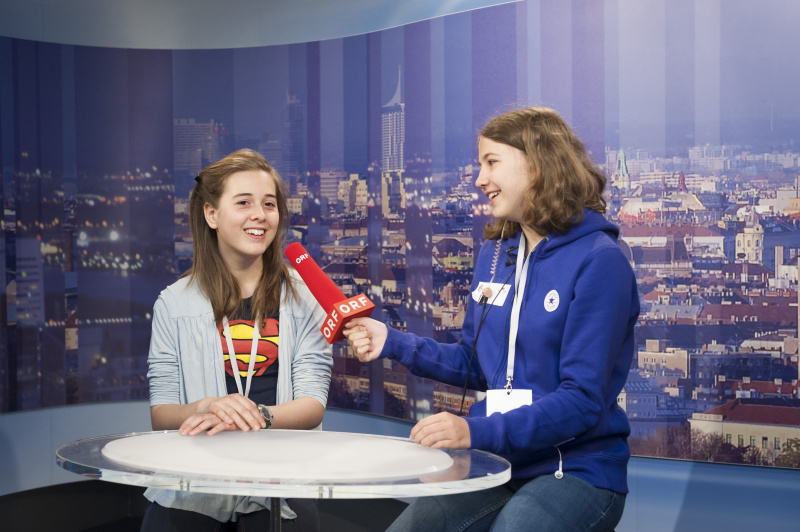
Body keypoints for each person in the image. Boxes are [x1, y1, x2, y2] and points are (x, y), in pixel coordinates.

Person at [343, 107, 640, 531]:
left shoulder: (599, 261)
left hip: (574, 467)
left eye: (491, 162)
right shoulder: (496, 253)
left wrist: (473, 432)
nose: (479, 179)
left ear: (537, 165)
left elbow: (581, 401)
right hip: (500, 461)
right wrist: (390, 340)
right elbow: (476, 363)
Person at [141, 149, 333, 531]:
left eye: (269, 204)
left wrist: (257, 417)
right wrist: (209, 407)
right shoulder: (174, 303)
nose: (259, 215)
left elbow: (313, 404)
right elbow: (161, 414)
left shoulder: (304, 296)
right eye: (243, 203)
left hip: (281, 481)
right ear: (211, 214)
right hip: (195, 480)